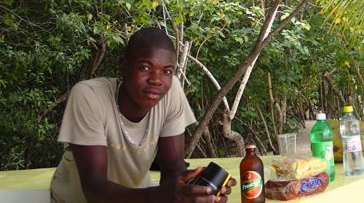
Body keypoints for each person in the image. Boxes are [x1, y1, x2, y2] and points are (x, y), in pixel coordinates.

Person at [50, 27, 235, 202]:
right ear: (123, 66)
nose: (156, 80)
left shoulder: (172, 93)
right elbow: (94, 189)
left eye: (167, 71)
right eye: (145, 67)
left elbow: (172, 168)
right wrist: (159, 198)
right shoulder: (89, 96)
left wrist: (193, 188)